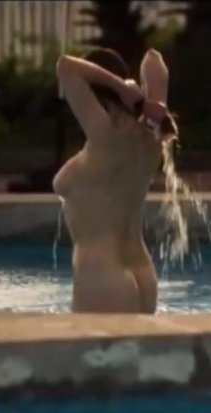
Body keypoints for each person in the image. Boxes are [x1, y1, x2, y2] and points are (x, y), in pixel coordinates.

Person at [52, 48, 177, 314]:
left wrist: (121, 88)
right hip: (144, 273)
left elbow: (65, 66)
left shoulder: (104, 132)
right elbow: (154, 59)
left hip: (101, 274)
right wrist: (147, 100)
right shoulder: (151, 136)